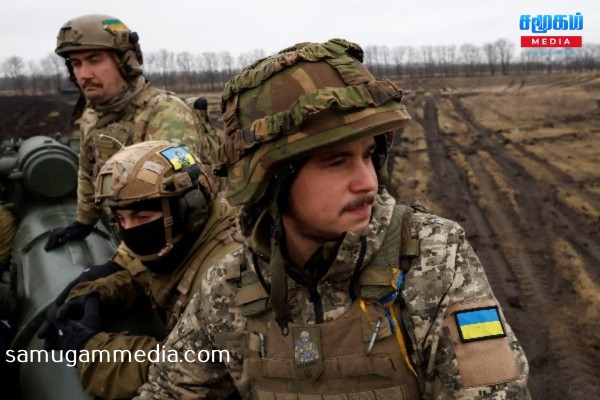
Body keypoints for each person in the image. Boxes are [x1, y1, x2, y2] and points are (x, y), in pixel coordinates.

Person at [135, 39, 531, 399]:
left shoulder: (432, 257)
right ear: (273, 181)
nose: (367, 183)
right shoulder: (228, 285)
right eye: (336, 161)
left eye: (367, 156)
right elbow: (168, 392)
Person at [39, 141, 241, 399]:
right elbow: (149, 275)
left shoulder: (229, 273)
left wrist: (88, 347)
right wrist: (98, 294)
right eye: (121, 220)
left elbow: (190, 371)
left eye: (142, 218)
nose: (130, 229)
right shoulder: (183, 244)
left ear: (190, 207)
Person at [44, 14, 214, 252]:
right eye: (76, 63)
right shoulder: (92, 115)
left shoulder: (165, 114)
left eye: (94, 60)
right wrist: (84, 222)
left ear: (126, 61)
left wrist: (121, 269)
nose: (83, 74)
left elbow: (175, 207)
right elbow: (88, 170)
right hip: (130, 238)